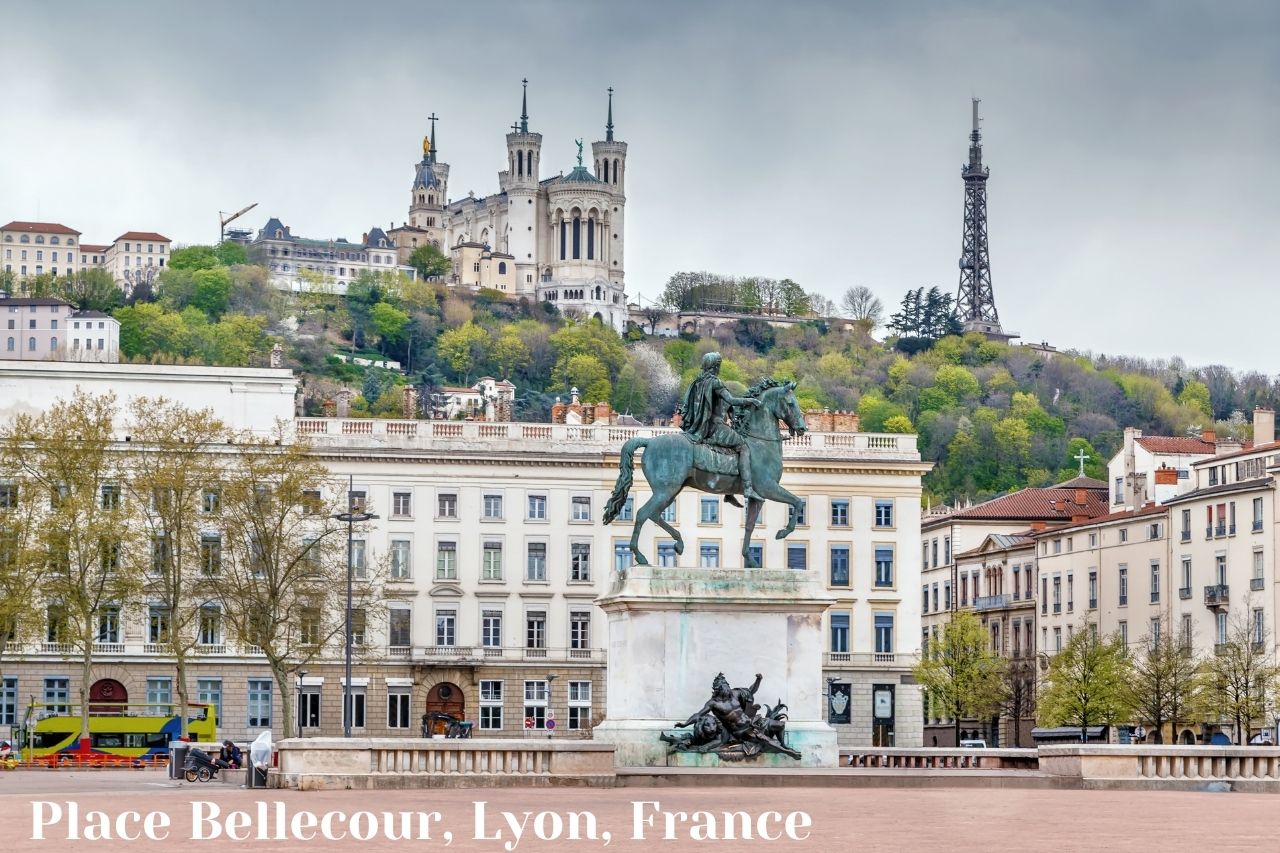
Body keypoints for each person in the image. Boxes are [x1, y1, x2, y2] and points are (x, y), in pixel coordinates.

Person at [679, 352, 765, 502]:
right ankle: (747, 488)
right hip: (715, 427)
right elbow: (731, 400)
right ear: (715, 366)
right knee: (743, 446)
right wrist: (751, 401)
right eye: (718, 365)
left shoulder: (697, 382)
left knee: (730, 448)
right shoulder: (714, 382)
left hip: (701, 426)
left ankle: (729, 491)